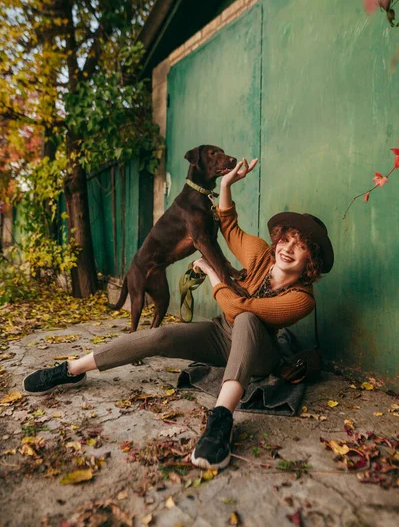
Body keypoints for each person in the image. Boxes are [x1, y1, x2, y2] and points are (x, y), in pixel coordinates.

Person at [23, 157, 334, 471]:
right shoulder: (261, 255)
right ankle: (72, 369)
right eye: (286, 239)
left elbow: (239, 308)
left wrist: (214, 273)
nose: (287, 248)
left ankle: (221, 419)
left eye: (301, 245)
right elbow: (228, 224)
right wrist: (225, 185)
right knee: (162, 335)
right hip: (220, 335)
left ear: (311, 260)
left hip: (258, 354)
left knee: (248, 319)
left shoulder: (302, 299)